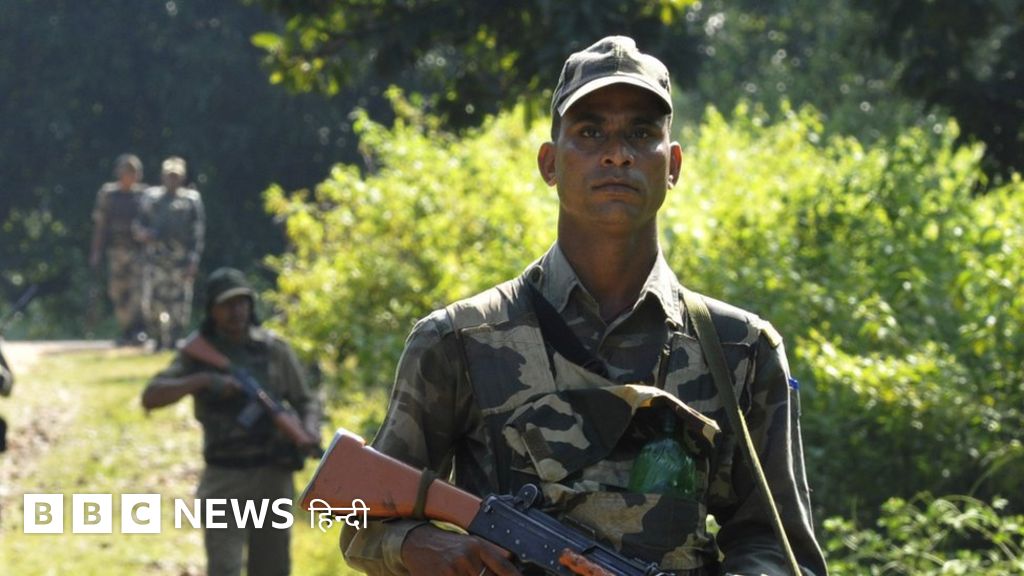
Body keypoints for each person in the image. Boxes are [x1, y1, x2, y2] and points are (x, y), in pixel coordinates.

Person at [341, 36, 828, 576]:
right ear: (550, 163)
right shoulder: (459, 340)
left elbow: (778, 547)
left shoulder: (741, 350)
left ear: (673, 165)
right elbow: (359, 517)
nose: (617, 154)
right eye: (590, 132)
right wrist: (430, 548)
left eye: (641, 133)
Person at [141, 267, 321, 576]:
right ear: (212, 310)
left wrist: (309, 430)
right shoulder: (198, 353)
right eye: (227, 304)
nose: (236, 311)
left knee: (273, 568)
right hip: (224, 477)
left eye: (242, 302)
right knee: (224, 567)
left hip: (272, 475)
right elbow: (152, 396)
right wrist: (201, 381)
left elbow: (306, 400)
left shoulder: (274, 349)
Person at [137, 156, 205, 350]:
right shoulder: (151, 198)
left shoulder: (191, 200)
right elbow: (139, 225)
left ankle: (174, 339)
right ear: (163, 176)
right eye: (169, 175)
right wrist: (144, 234)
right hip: (155, 260)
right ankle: (157, 338)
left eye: (176, 176)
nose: (172, 179)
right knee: (153, 301)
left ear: (182, 177)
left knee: (179, 303)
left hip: (180, 261)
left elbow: (197, 233)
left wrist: (193, 261)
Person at [90, 153, 148, 345]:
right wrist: (96, 252)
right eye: (126, 172)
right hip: (116, 251)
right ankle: (126, 329)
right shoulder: (108, 195)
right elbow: (100, 225)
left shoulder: (145, 196)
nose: (129, 176)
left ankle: (138, 330)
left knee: (138, 291)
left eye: (133, 172)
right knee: (117, 292)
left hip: (138, 252)